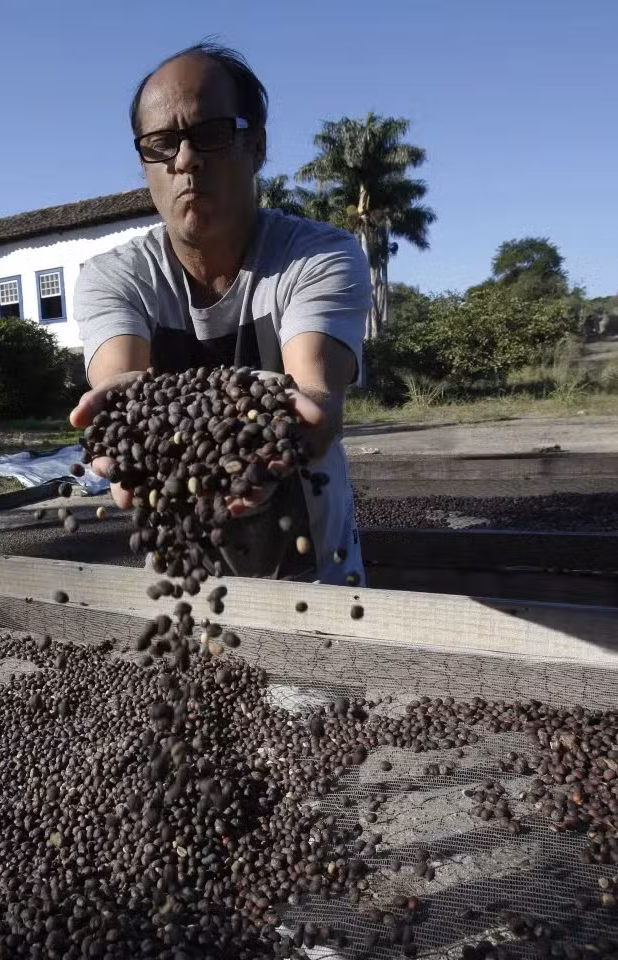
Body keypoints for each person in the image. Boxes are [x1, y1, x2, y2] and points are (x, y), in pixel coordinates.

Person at [69, 41, 369, 586]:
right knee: (192, 658)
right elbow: (119, 377)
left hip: (319, 570)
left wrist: (308, 413)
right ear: (145, 162)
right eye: (162, 143)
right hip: (180, 579)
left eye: (210, 134)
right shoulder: (112, 276)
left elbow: (314, 383)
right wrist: (121, 423)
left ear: (256, 145)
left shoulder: (319, 257)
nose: (185, 160)